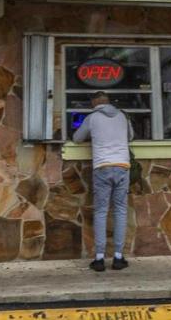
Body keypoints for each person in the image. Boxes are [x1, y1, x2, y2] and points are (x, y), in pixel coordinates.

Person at [72, 91, 134, 272]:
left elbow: (77, 139)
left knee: (101, 211)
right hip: (122, 165)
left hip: (102, 167)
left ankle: (99, 259)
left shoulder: (92, 118)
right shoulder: (123, 116)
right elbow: (130, 137)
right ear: (108, 102)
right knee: (120, 211)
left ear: (94, 102)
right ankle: (118, 257)